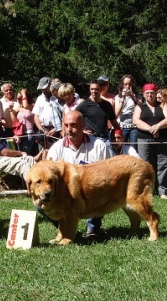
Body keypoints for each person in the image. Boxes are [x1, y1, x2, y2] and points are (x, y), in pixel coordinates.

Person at [46, 110, 110, 240]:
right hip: (65, 196)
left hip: (92, 192)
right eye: (66, 125)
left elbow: (108, 174)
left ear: (83, 125)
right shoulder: (56, 149)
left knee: (98, 190)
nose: (69, 129)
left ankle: (92, 229)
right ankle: (65, 230)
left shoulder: (99, 146)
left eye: (73, 125)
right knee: (41, 204)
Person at [133, 83, 167, 199]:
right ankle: (147, 190)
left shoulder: (162, 105)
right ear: (144, 94)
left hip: (162, 139)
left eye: (152, 93)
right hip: (144, 139)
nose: (150, 95)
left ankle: (163, 191)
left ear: (156, 94)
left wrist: (158, 126)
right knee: (146, 165)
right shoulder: (140, 107)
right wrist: (151, 129)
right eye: (147, 93)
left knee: (163, 163)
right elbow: (136, 121)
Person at [75, 80, 121, 156]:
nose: (94, 91)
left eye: (96, 89)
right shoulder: (84, 105)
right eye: (92, 89)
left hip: (105, 139)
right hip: (90, 139)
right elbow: (74, 118)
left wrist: (119, 133)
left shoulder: (107, 105)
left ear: (100, 90)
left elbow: (114, 123)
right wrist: (82, 131)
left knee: (110, 161)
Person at [33, 77, 63, 149]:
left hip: (59, 130)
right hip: (44, 131)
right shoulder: (40, 98)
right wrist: (41, 130)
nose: (43, 90)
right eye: (42, 89)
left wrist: (57, 128)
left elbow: (64, 115)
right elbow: (36, 116)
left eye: (45, 88)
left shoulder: (59, 97)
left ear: (50, 85)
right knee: (44, 153)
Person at [114, 74, 139, 149]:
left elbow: (141, 108)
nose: (128, 86)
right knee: (121, 148)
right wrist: (123, 98)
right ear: (122, 85)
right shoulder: (118, 97)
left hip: (134, 127)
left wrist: (133, 98)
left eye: (130, 84)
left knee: (133, 148)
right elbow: (117, 113)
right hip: (122, 126)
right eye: (125, 84)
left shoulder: (137, 96)